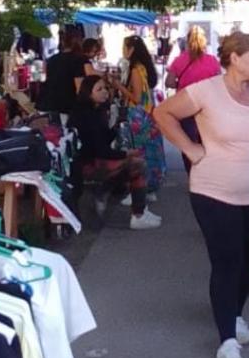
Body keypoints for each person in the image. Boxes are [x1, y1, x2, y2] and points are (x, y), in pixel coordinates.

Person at [154, 32, 249, 358]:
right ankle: (226, 343)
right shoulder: (207, 90)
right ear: (234, 58)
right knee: (227, 260)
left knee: (247, 262)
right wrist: (189, 148)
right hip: (214, 191)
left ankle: (235, 315)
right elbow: (163, 113)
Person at [69, 75, 161, 230]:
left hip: (96, 159)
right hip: (88, 164)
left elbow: (103, 140)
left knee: (135, 163)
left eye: (105, 88)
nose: (105, 92)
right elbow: (100, 149)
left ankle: (138, 209)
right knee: (138, 165)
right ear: (88, 93)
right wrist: (126, 154)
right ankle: (138, 214)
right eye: (99, 89)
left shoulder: (97, 111)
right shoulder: (86, 115)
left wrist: (118, 124)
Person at [111, 35, 166, 195]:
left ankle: (139, 189)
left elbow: (136, 97)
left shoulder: (135, 69)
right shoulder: (143, 67)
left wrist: (118, 86)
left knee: (138, 152)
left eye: (124, 47)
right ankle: (148, 188)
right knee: (148, 151)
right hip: (146, 114)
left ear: (131, 49)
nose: (123, 51)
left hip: (137, 116)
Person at [165, 26, 222, 172]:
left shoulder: (179, 60)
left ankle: (192, 175)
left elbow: (169, 83)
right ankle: (207, 173)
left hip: (185, 107)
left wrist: (183, 83)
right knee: (209, 143)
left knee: (188, 143)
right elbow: (219, 83)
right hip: (208, 108)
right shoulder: (212, 60)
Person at [39, 29, 94, 124]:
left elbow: (44, 80)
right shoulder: (78, 60)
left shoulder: (51, 60)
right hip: (64, 107)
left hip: (45, 105)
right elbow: (79, 88)